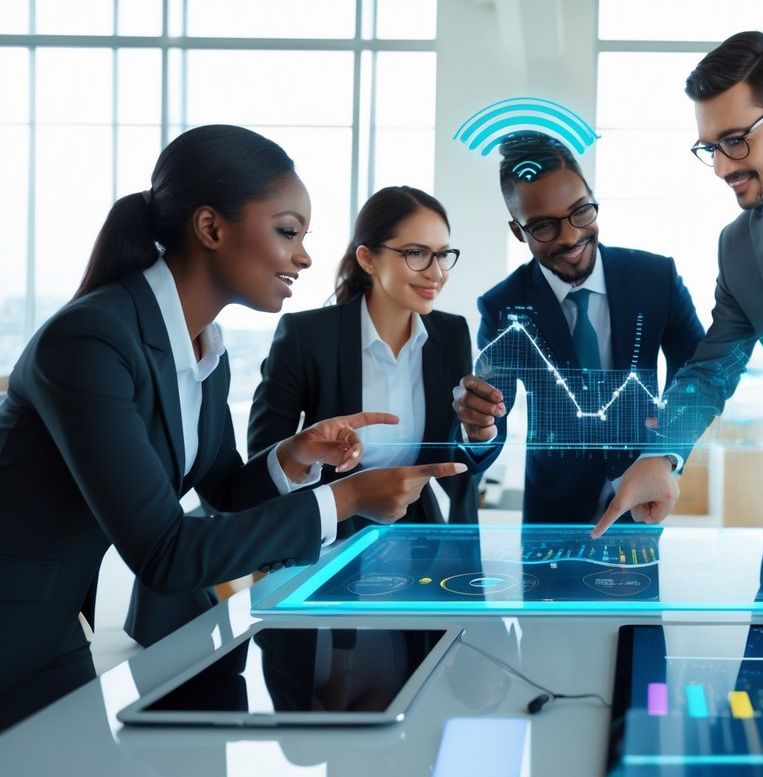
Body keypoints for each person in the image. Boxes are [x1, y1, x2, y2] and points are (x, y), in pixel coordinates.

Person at [0, 125, 465, 730]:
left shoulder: (201, 348)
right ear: (212, 228)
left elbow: (221, 489)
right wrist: (346, 496)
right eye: (288, 231)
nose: (302, 256)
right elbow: (166, 554)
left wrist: (295, 455)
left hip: (51, 623)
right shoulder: (92, 340)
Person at [592, 31, 763, 547]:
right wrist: (661, 455)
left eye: (735, 140)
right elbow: (709, 372)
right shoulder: (738, 246)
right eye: (710, 148)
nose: (722, 167)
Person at [453, 133, 705, 524]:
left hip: (640, 506)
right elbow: (493, 421)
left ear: (592, 196)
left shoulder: (657, 280)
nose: (571, 236)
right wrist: (479, 429)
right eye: (544, 227)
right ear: (518, 231)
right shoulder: (501, 305)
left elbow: (698, 375)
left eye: (580, 211)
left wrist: (665, 454)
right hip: (551, 516)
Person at [249, 186, 479, 533]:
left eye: (443, 254)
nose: (436, 273)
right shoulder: (307, 336)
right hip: (329, 536)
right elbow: (264, 462)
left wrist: (482, 432)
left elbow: (455, 450)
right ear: (368, 258)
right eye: (416, 253)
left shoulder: (451, 335)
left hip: (422, 536)